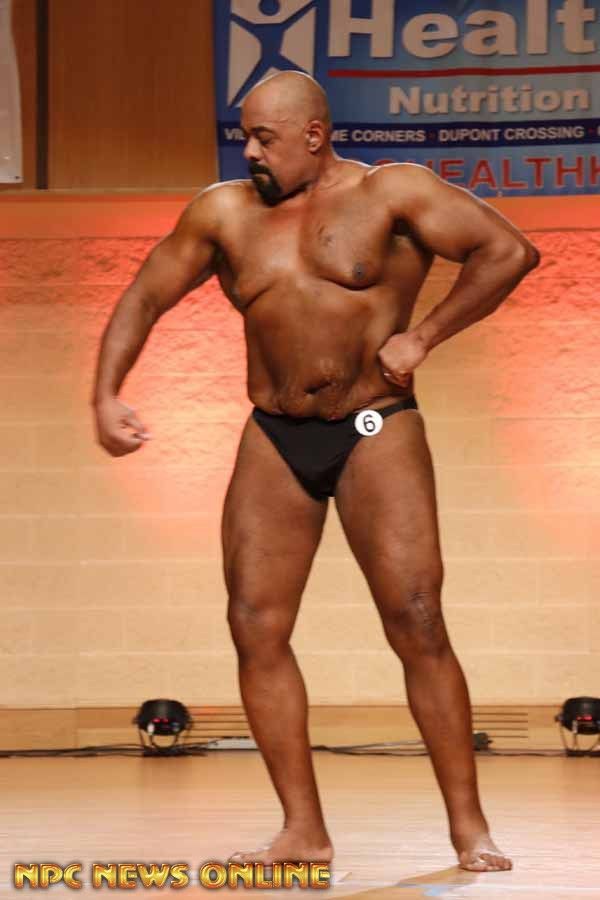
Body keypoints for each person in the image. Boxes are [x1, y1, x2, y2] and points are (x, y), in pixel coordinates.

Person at [92, 71, 539, 873]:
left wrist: (424, 336)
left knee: (416, 618)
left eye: (265, 138)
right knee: (254, 624)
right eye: (245, 137)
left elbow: (509, 251)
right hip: (275, 432)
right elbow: (144, 295)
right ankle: (303, 831)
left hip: (373, 424)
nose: (251, 152)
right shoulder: (223, 212)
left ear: (314, 134)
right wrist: (106, 392)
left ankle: (470, 828)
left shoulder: (391, 193)